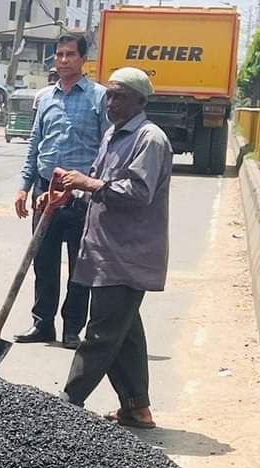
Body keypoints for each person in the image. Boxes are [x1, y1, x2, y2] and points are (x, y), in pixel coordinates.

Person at [52, 67, 172, 429]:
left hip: (127, 254)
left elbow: (137, 193)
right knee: (126, 333)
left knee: (102, 333)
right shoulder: (112, 135)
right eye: (109, 94)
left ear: (140, 100)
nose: (112, 102)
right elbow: (97, 186)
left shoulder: (149, 140)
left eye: (120, 96)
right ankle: (136, 407)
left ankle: (66, 405)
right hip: (105, 250)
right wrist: (69, 194)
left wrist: (88, 183)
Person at [15, 34, 108, 349]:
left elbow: (107, 150)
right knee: (43, 260)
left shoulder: (99, 98)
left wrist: (87, 184)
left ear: (83, 60)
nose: (64, 60)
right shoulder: (45, 98)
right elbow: (34, 144)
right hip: (46, 193)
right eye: (59, 55)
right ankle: (43, 324)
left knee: (79, 264)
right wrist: (23, 187)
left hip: (81, 196)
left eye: (70, 55)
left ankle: (72, 328)